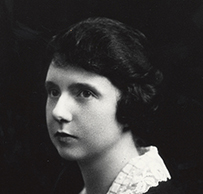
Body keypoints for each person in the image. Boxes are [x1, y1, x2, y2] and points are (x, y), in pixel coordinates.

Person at [45, 17, 181, 194]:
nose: (58, 112)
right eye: (54, 92)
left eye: (85, 93)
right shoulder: (69, 181)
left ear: (130, 102)